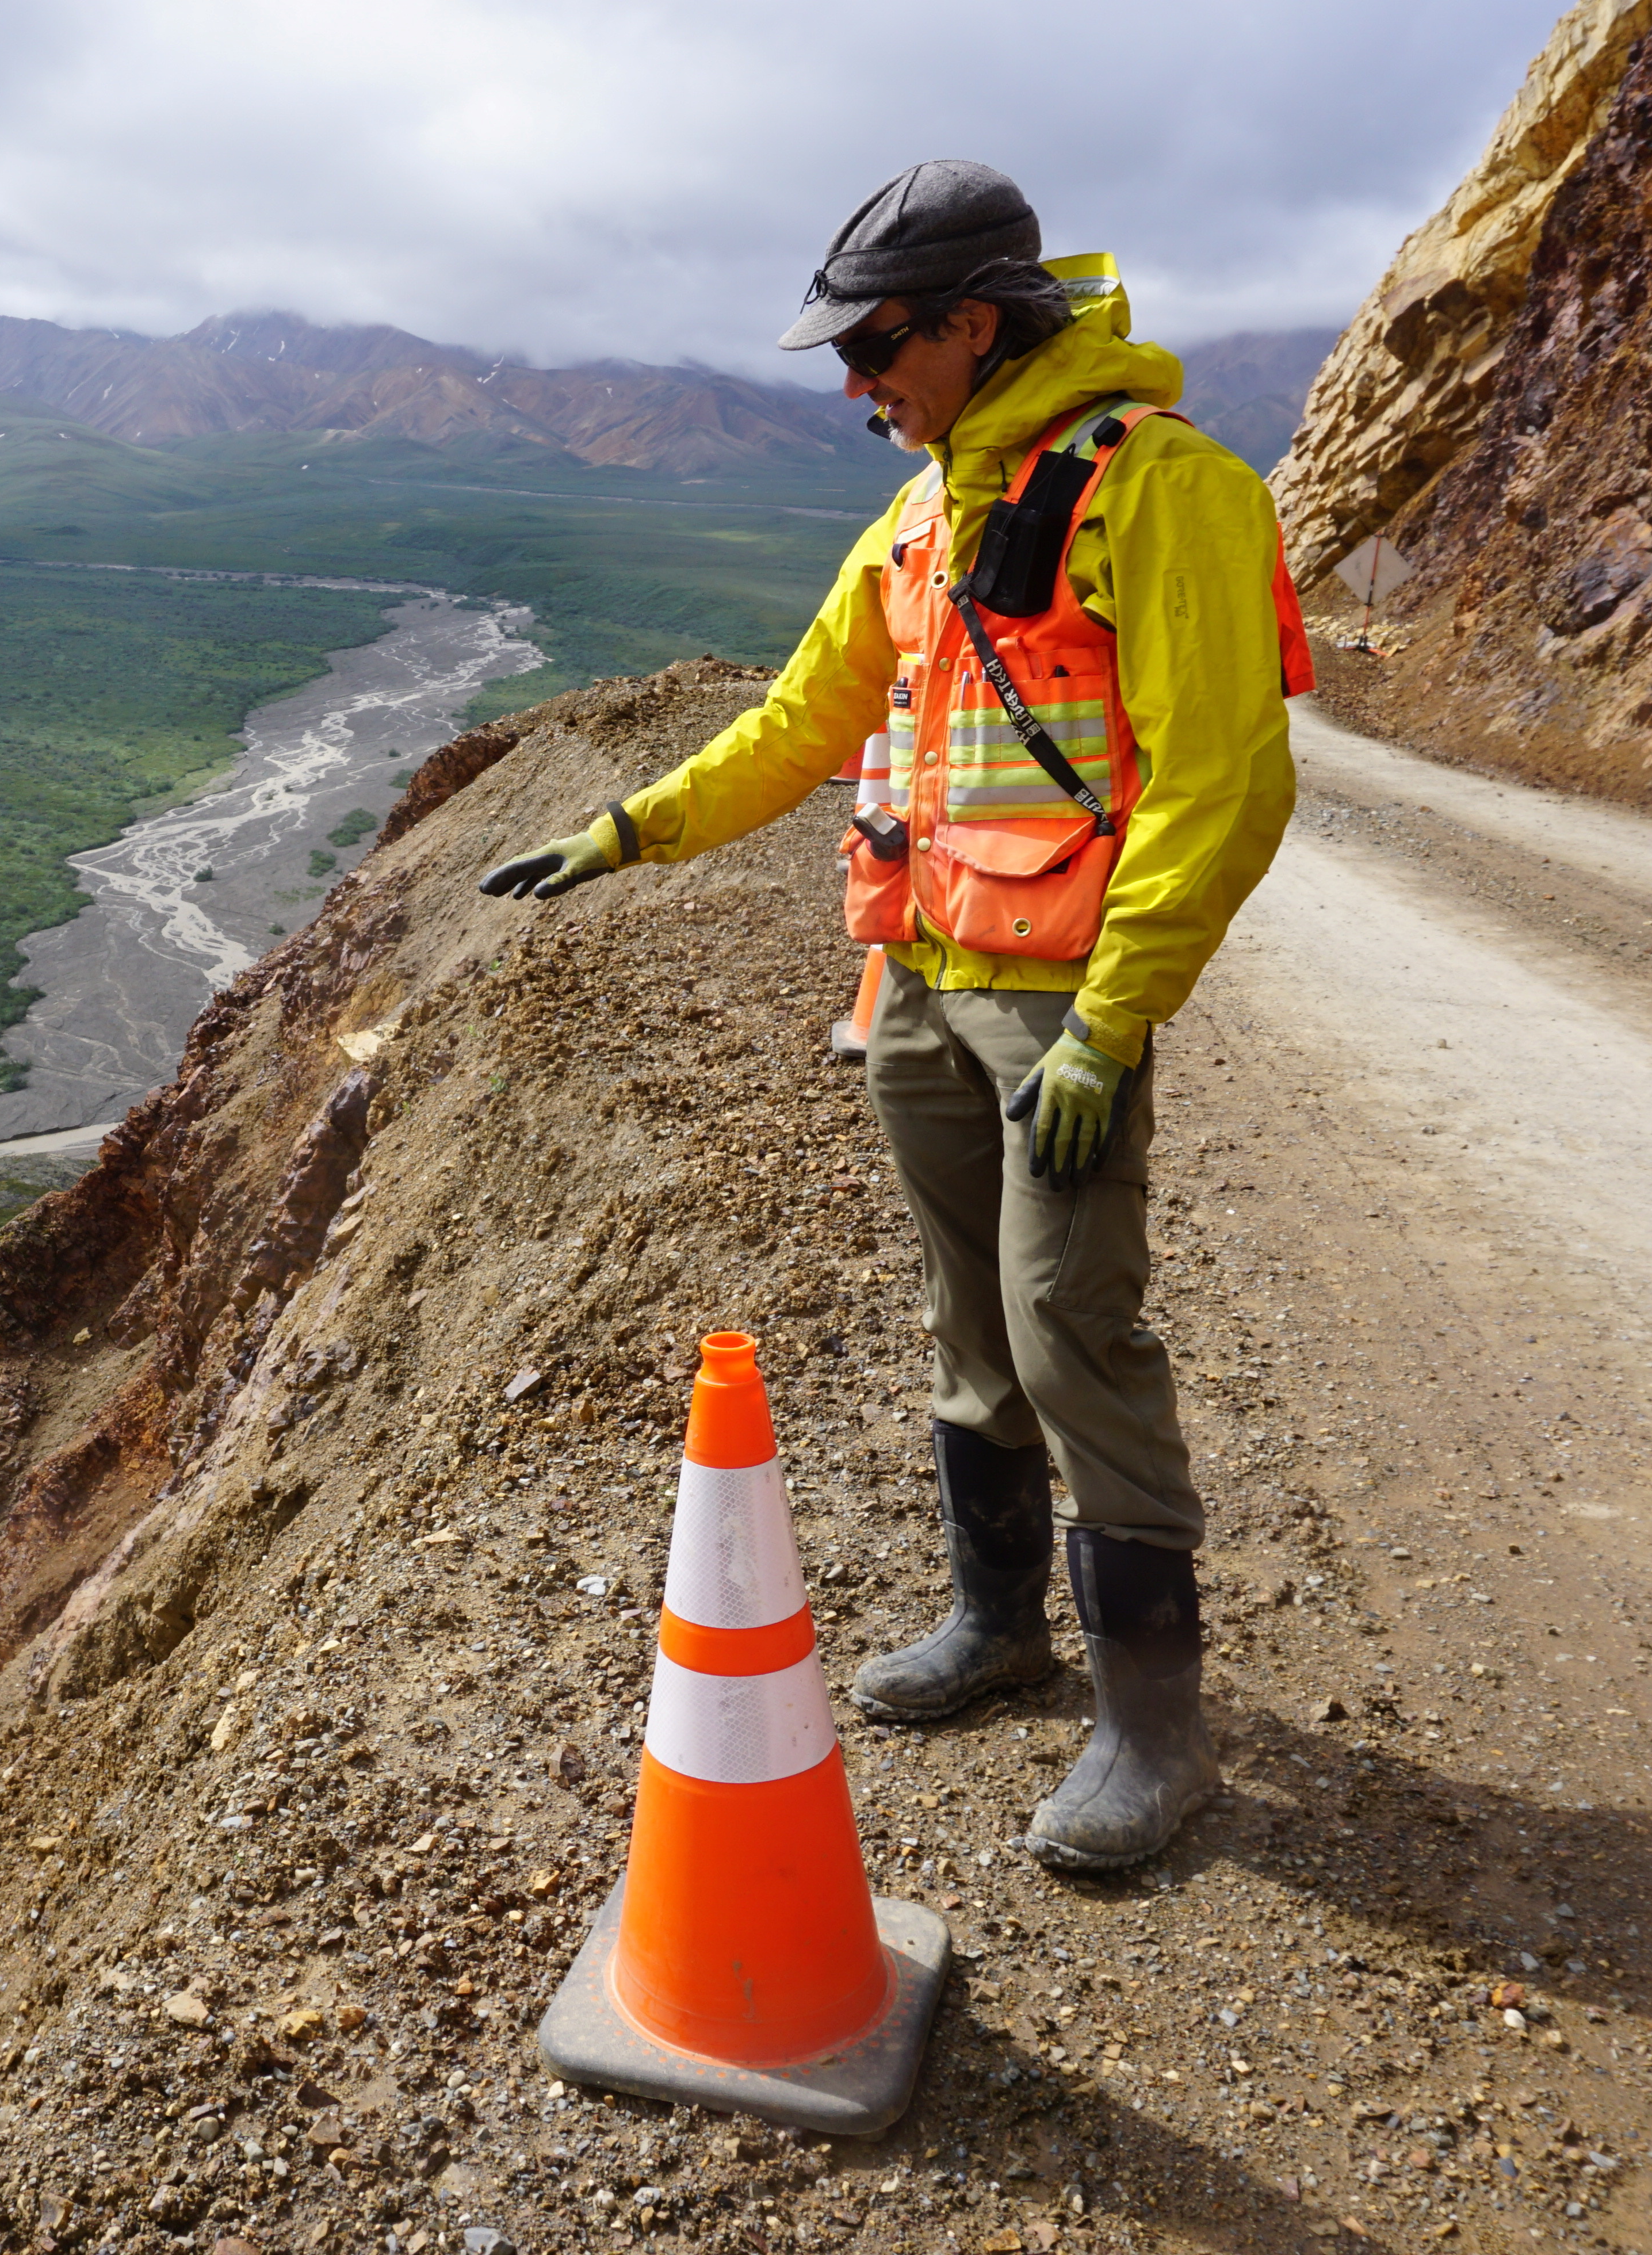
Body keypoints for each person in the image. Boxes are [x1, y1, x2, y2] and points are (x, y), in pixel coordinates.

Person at [479, 160, 1308, 1868]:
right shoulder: (922, 523)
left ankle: (1159, 1736)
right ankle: (1001, 1628)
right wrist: (630, 828)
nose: (858, 389)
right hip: (924, 991)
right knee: (970, 1324)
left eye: (875, 350)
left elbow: (1222, 782)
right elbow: (798, 723)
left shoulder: (1165, 494)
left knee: (1075, 1328)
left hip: (1059, 1006)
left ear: (973, 323)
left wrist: (1108, 1024)